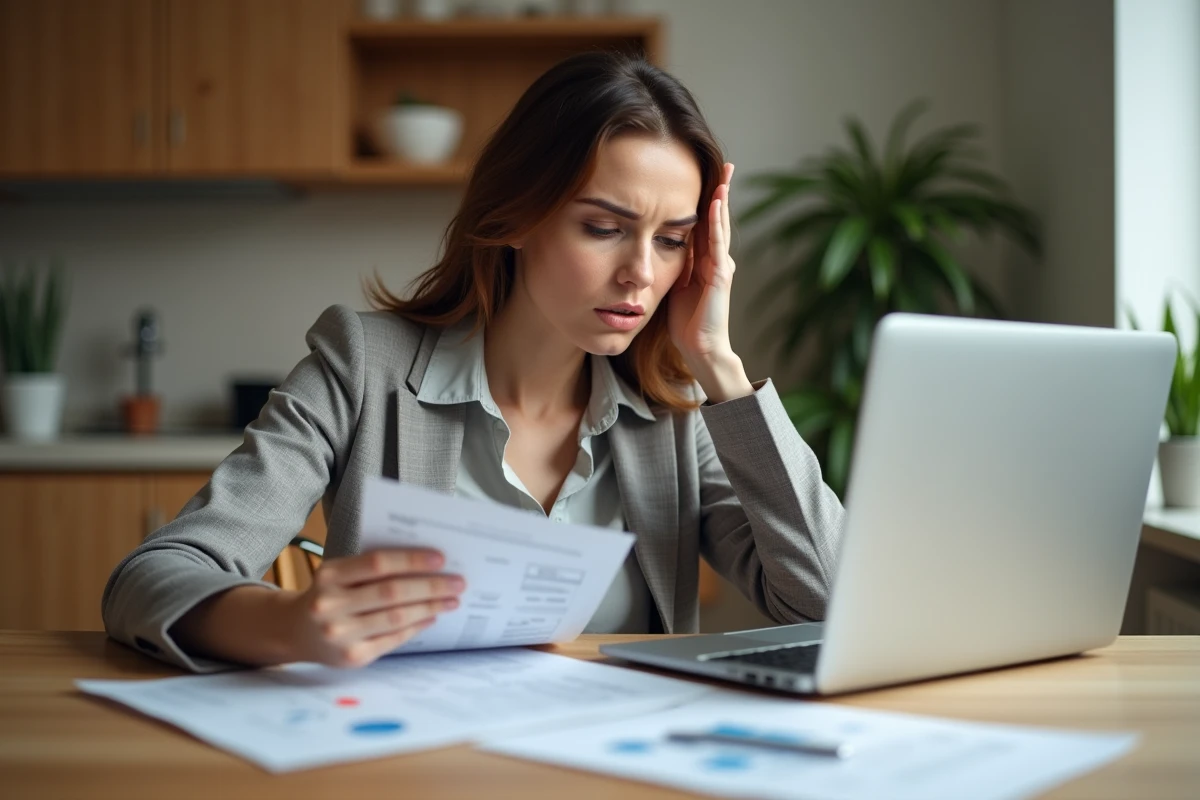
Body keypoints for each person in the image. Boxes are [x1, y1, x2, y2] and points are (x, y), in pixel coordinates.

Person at [101, 50, 845, 674]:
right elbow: (151, 579)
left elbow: (830, 602)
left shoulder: (675, 414)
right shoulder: (363, 367)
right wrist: (288, 624)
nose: (641, 275)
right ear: (516, 215)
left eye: (673, 240)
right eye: (603, 228)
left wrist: (718, 364)